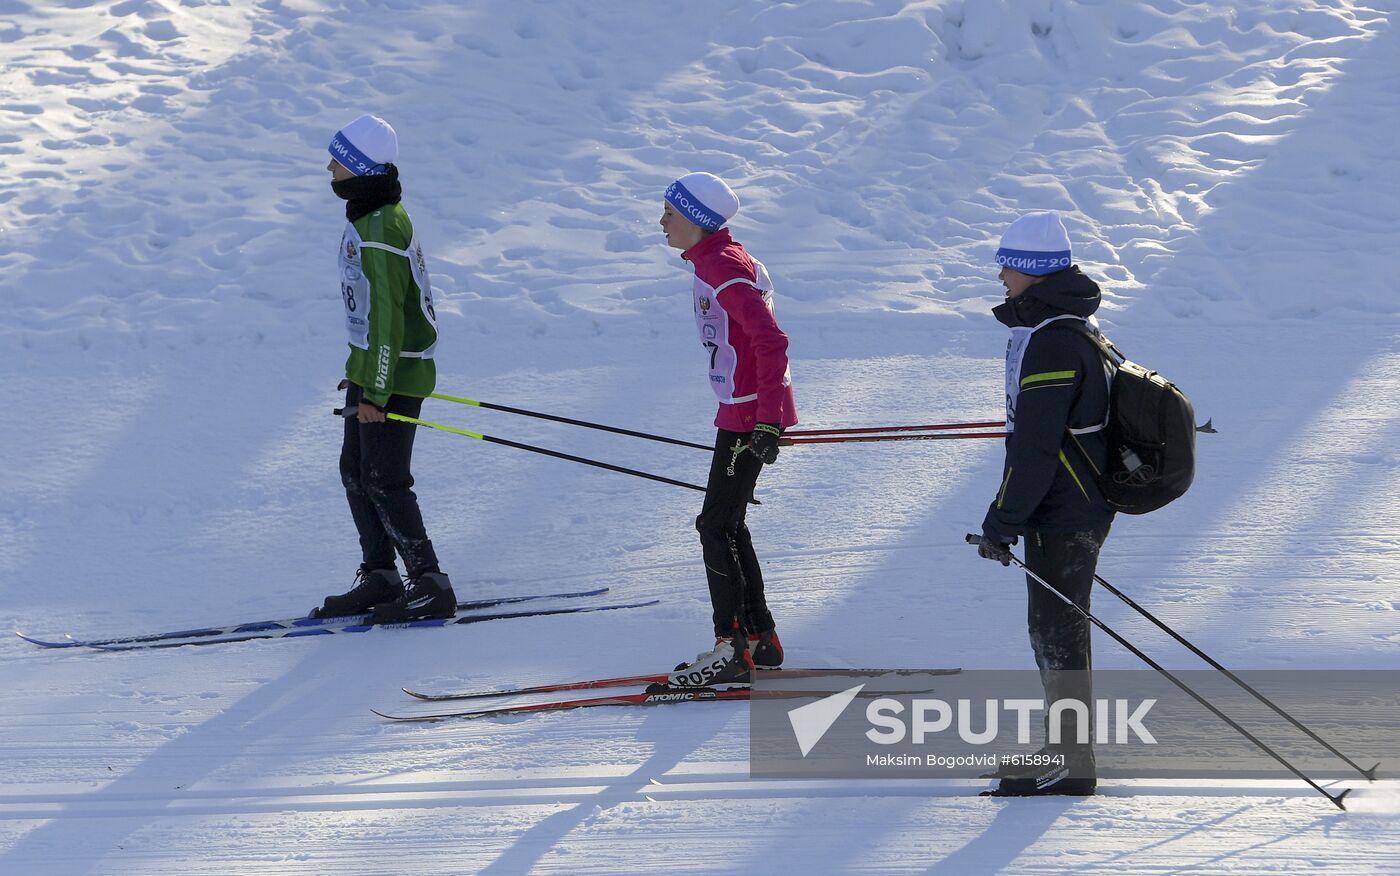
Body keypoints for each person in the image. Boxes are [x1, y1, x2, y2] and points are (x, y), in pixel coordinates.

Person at [975, 210, 1114, 796]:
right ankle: (1066, 751)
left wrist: (1000, 523)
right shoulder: (1065, 327)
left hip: (1066, 508)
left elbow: (1034, 449)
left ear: (1030, 270)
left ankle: (1072, 760)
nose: (1001, 273)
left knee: (1057, 629)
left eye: (1008, 262)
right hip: (1075, 502)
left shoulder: (1053, 341)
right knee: (1059, 625)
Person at [311, 114, 457, 623]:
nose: (329, 167)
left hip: (393, 373)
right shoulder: (374, 215)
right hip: (374, 369)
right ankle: (380, 574)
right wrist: (361, 376)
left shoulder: (378, 227)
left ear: (357, 166)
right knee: (355, 472)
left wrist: (374, 390)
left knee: (384, 478)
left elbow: (389, 317)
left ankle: (429, 582)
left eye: (338, 159)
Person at [659, 172, 798, 687]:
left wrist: (768, 418)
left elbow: (771, 340)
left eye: (670, 213)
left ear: (695, 220)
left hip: (749, 412)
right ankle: (758, 637)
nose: (662, 222)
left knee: (714, 526)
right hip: (741, 407)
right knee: (728, 523)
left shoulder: (722, 266)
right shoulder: (714, 261)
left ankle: (732, 645)